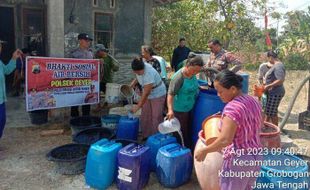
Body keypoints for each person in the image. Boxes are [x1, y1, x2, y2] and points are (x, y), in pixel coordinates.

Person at [195, 70, 262, 190]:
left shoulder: (232, 108)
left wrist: (204, 150)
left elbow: (225, 140)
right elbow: (258, 125)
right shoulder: (253, 101)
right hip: (256, 156)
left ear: (233, 89)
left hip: (238, 161)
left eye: (220, 91)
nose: (218, 95)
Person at [166, 54, 204, 147]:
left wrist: (199, 87)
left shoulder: (192, 74)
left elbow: (192, 84)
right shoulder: (178, 77)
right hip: (179, 110)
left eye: (197, 71)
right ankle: (182, 149)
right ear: (187, 66)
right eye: (193, 70)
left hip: (190, 107)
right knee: (181, 132)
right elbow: (170, 94)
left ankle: (188, 147)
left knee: (189, 129)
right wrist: (170, 110)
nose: (195, 73)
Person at [130, 57, 166, 139]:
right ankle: (146, 135)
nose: (138, 73)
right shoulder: (138, 67)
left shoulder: (149, 73)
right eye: (136, 72)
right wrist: (132, 85)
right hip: (147, 91)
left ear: (143, 68)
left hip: (157, 93)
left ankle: (155, 138)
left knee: (156, 116)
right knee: (145, 115)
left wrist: (138, 106)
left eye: (139, 72)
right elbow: (137, 77)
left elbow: (146, 93)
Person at [0, 40, 23, 139]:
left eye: (0, 46)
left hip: (1, 99)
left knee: (2, 120)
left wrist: (14, 58)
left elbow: (7, 70)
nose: (0, 48)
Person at [70, 33, 94, 117]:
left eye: (89, 41)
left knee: (87, 101)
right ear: (80, 41)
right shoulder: (74, 54)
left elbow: (93, 66)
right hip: (76, 81)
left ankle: (86, 118)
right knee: (74, 101)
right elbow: (68, 67)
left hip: (88, 81)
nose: (88, 42)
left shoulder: (90, 53)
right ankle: (75, 119)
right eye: (86, 40)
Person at [263, 50, 285, 126]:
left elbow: (280, 80)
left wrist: (268, 86)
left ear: (271, 57)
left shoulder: (278, 66)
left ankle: (275, 131)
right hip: (272, 92)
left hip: (276, 92)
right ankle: (267, 127)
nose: (268, 61)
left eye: (268, 58)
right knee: (271, 111)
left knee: (271, 112)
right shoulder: (276, 65)